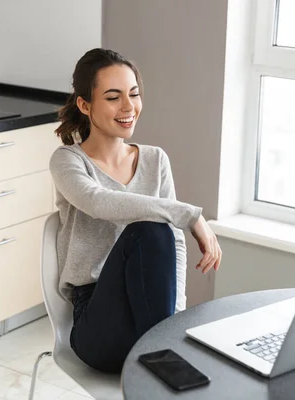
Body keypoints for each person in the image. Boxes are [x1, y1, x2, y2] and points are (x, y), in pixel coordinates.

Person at [49, 48, 222, 373]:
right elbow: (98, 202)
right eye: (113, 97)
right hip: (97, 324)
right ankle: (165, 357)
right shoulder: (68, 161)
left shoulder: (155, 160)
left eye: (134, 94)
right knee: (149, 228)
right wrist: (190, 214)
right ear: (85, 105)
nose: (128, 107)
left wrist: (175, 318)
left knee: (159, 231)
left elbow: (176, 245)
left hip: (150, 311)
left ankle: (165, 349)